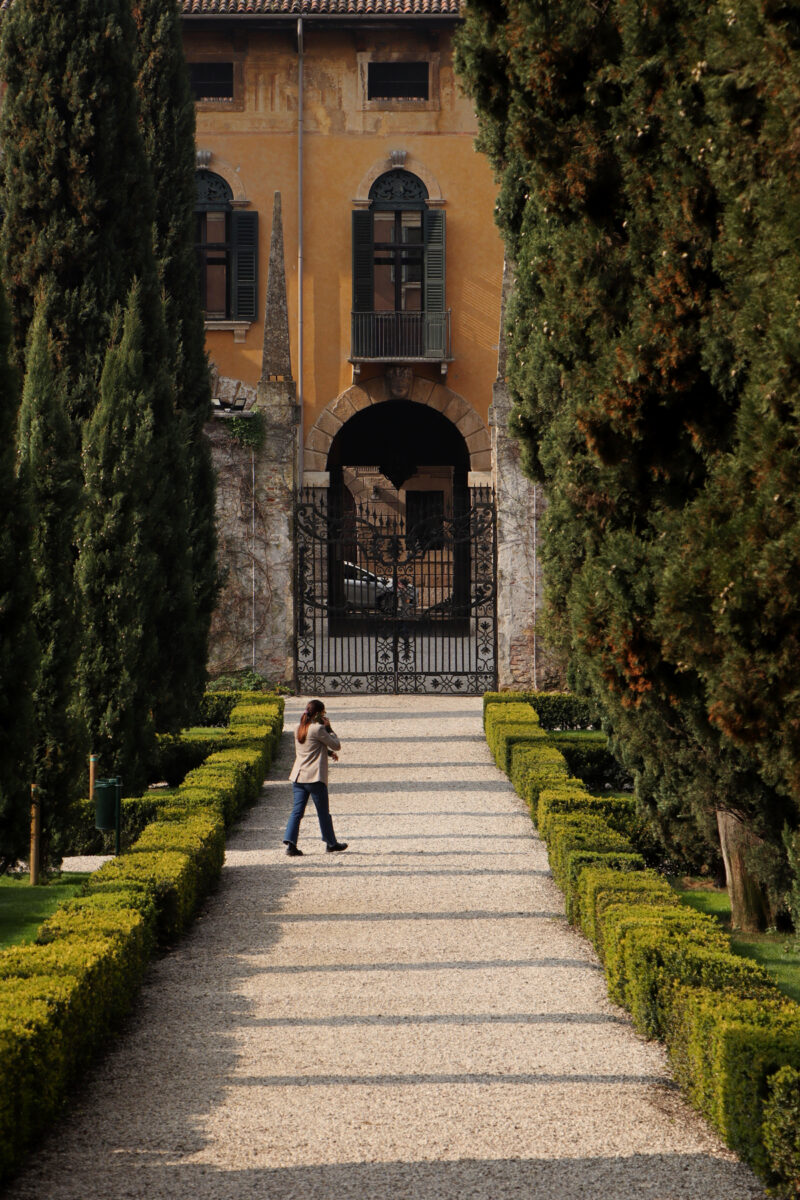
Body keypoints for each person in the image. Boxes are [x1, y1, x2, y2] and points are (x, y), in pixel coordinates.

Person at [284, 699, 348, 856]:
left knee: (297, 812)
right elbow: (336, 744)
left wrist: (327, 753)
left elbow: (310, 747)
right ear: (319, 714)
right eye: (324, 713)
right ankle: (331, 843)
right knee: (323, 812)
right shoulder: (318, 729)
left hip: (298, 777)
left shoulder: (298, 728)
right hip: (314, 777)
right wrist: (329, 728)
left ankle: (290, 844)